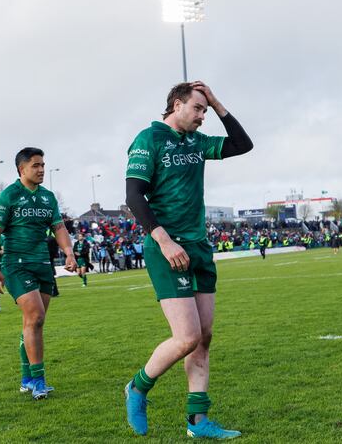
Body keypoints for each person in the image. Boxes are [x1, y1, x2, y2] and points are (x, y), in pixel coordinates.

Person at [123, 80, 253, 439]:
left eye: (205, 111)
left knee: (204, 336)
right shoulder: (149, 139)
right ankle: (137, 387)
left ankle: (197, 422)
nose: (202, 117)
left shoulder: (197, 142)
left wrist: (216, 101)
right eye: (197, 109)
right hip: (168, 248)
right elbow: (134, 197)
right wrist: (164, 241)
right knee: (186, 337)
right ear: (176, 105)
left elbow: (243, 144)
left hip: (198, 247)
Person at [0, 147, 77, 400]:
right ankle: (38, 380)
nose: (41, 170)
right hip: (17, 264)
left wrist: (68, 252)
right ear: (21, 169)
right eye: (35, 165)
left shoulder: (48, 197)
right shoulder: (9, 196)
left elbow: (58, 227)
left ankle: (26, 377)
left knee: (33, 323)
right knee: (35, 318)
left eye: (43, 165)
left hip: (42, 265)